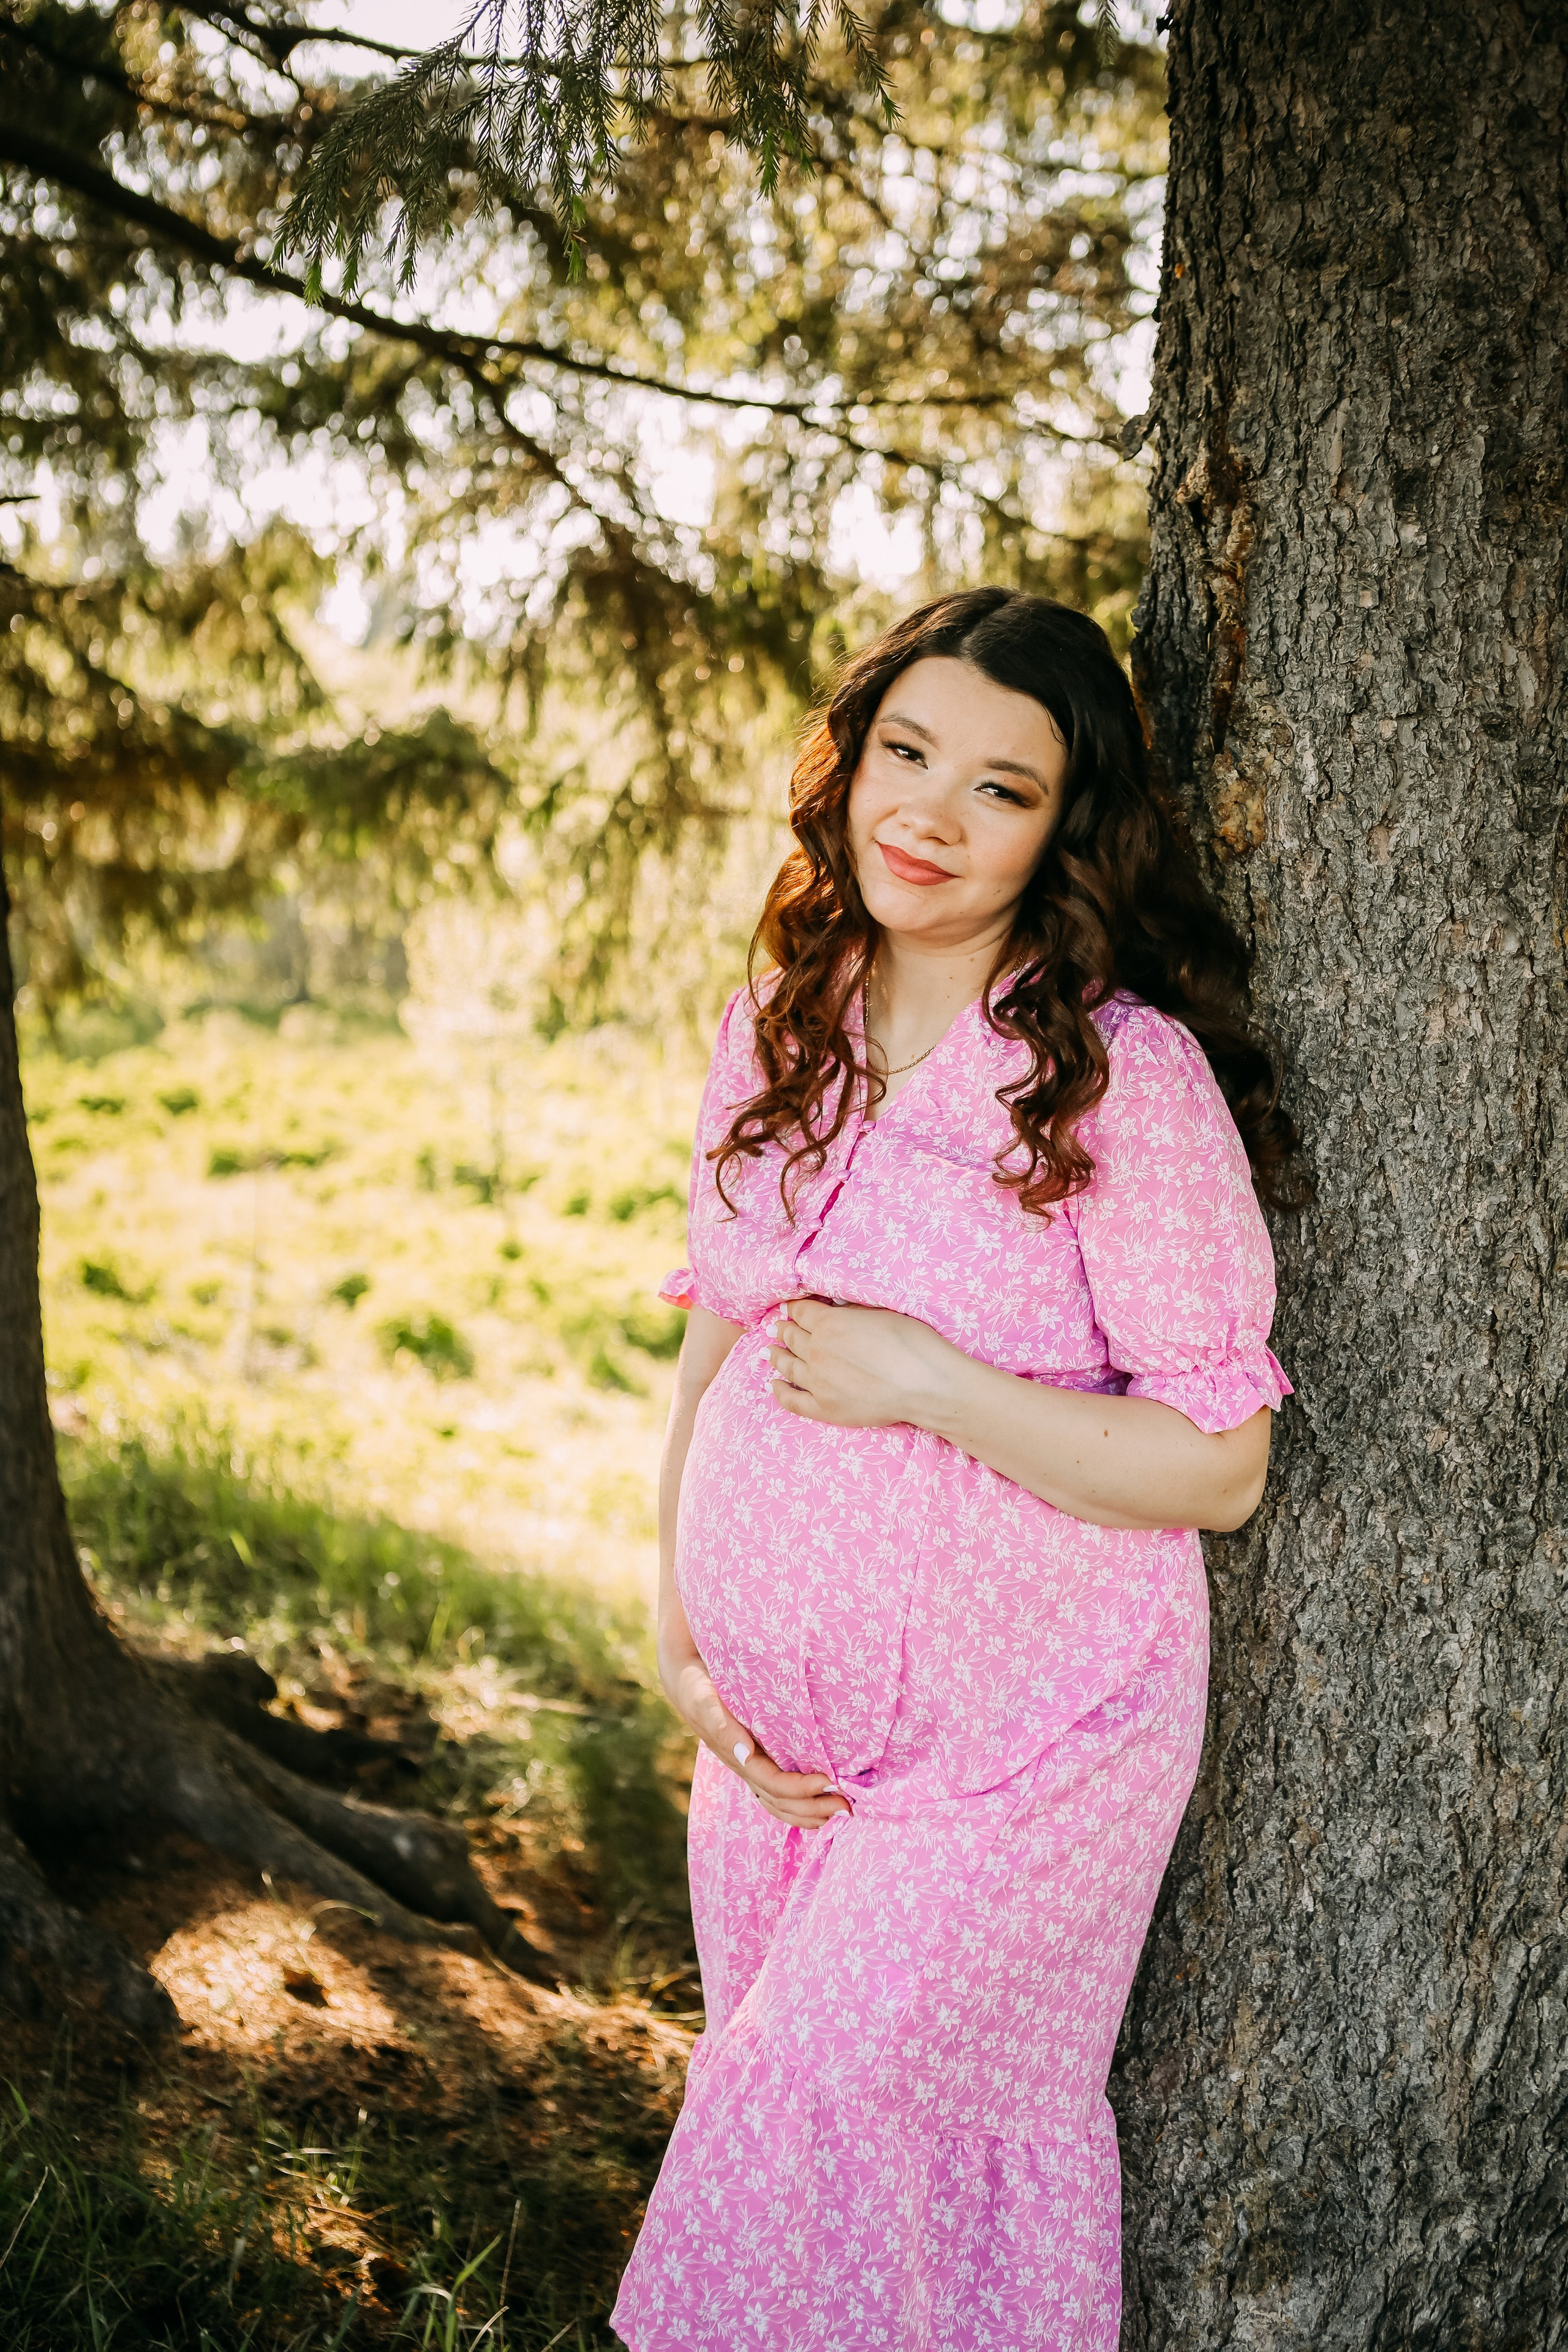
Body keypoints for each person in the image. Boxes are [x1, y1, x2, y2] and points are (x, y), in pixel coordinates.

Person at [611, 588, 1297, 2352]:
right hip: (777, 1764)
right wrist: (676, 1634)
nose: (930, 812)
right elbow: (716, 1339)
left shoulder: (1118, 1079)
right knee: (817, 2203)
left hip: (1032, 1752)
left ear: (1068, 828)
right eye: (906, 754)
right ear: (848, 769)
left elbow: (1219, 1466)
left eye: (1001, 787)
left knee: (828, 2131)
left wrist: (930, 1378)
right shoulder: (782, 1021)